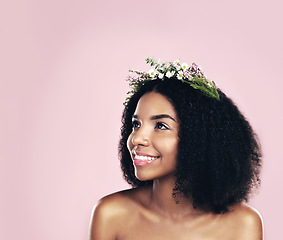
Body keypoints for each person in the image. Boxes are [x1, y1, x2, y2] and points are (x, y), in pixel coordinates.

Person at [89, 58, 263, 240]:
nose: (137, 138)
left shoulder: (243, 224)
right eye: (136, 124)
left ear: (199, 139)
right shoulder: (111, 215)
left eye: (161, 126)